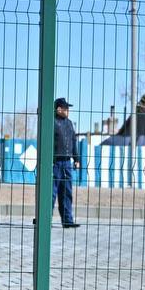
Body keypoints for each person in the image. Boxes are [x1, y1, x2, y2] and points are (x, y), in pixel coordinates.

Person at [52, 97, 80, 228]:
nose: (68, 110)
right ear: (59, 109)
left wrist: (76, 159)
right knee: (51, 193)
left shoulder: (69, 123)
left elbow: (73, 142)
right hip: (55, 163)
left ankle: (68, 220)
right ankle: (46, 220)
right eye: (66, 108)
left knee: (66, 192)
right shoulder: (52, 122)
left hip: (67, 163)